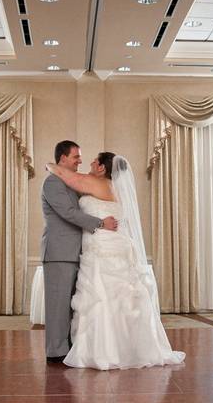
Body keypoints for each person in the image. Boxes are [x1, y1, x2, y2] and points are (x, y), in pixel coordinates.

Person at [46, 151, 184, 369]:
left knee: (103, 296)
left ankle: (105, 351)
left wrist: (50, 165)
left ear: (101, 168)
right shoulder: (113, 187)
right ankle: (127, 348)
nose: (87, 162)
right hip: (113, 244)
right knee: (118, 299)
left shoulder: (94, 183)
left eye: (93, 160)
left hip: (102, 246)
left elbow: (69, 176)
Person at [40, 141, 117, 362]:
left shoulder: (71, 183)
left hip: (77, 253)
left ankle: (69, 348)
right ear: (63, 159)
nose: (80, 161)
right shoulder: (53, 183)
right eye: (76, 157)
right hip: (59, 252)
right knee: (57, 306)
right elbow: (69, 213)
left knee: (70, 307)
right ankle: (55, 352)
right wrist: (101, 223)